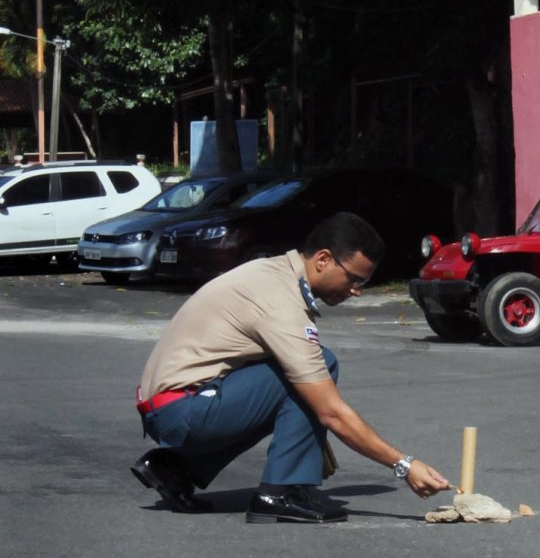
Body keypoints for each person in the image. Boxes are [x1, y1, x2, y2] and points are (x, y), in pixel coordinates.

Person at [131, 211, 450, 523]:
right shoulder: (281, 302)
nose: (356, 290)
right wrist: (405, 465)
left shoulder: (273, 272)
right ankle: (281, 492)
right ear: (323, 260)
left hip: (175, 404)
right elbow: (331, 411)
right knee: (319, 365)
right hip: (182, 410)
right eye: (354, 278)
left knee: (304, 375)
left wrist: (306, 436)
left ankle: (177, 468)